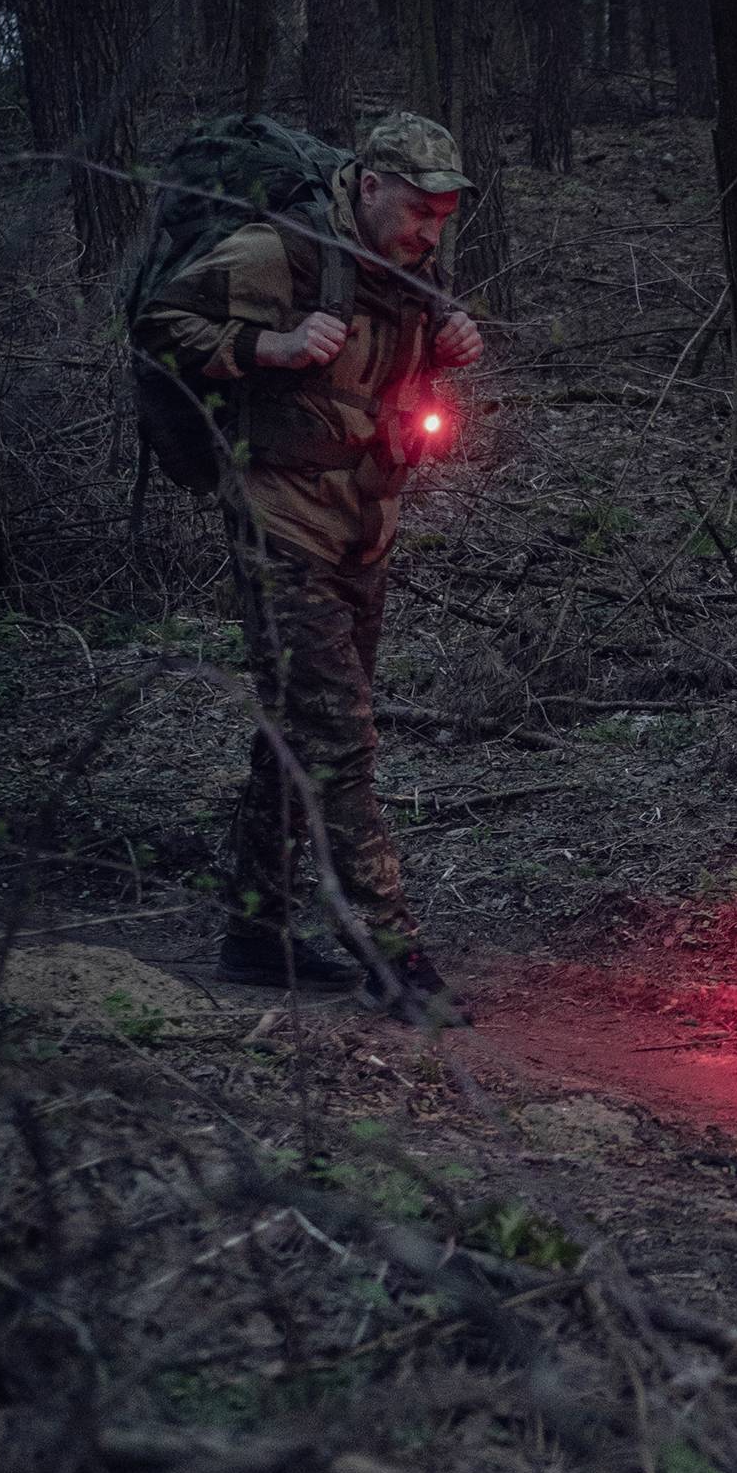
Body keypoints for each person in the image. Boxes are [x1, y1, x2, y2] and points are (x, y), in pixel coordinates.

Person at [134, 112, 484, 1018]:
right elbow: (159, 323)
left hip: (364, 523)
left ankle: (255, 933)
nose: (430, 233)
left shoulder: (410, 268)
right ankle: (393, 957)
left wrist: (449, 344)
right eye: (419, 211)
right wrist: (269, 347)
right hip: (281, 521)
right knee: (338, 736)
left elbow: (390, 375)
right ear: (369, 187)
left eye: (443, 218)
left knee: (300, 731)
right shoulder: (278, 251)